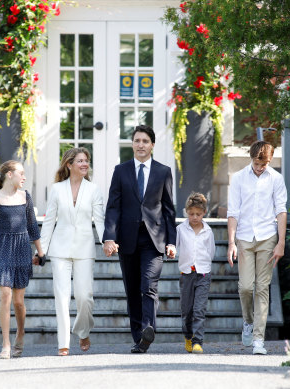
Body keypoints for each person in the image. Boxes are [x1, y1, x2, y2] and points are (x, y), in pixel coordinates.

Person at [103, 125, 177, 353]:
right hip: (127, 239)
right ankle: (140, 339)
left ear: (152, 145)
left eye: (145, 141)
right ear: (132, 144)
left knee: (148, 287)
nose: (141, 145)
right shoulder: (121, 170)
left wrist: (171, 241)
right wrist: (109, 237)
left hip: (154, 239)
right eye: (137, 140)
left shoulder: (163, 171)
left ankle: (148, 328)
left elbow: (168, 210)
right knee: (133, 290)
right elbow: (113, 207)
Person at [37, 147, 105, 356]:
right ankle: (63, 343)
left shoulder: (93, 189)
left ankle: (83, 331)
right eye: (80, 161)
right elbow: (49, 223)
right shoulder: (57, 189)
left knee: (85, 297)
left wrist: (106, 242)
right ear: (69, 164)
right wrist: (42, 251)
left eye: (87, 161)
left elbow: (100, 221)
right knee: (62, 296)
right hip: (60, 249)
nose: (85, 164)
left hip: (84, 249)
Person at [0, 160, 45, 359]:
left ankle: (21, 331)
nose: (24, 177)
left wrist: (40, 253)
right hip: (1, 249)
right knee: (5, 294)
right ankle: (6, 344)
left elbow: (33, 227)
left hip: (22, 248)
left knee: (18, 302)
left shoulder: (25, 197)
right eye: (21, 173)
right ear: (9, 174)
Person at [226, 141, 287, 355]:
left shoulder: (276, 179)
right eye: (258, 163)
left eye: (265, 163)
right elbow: (232, 212)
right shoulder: (239, 178)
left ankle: (259, 340)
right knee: (245, 287)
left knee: (262, 288)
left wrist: (281, 242)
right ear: (251, 158)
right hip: (244, 237)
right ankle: (248, 321)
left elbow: (281, 210)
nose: (261, 167)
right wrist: (231, 242)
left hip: (267, 237)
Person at [176, 192, 215, 354]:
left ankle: (198, 341)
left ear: (204, 213)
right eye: (191, 214)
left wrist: (203, 265)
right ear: (186, 212)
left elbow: (211, 251)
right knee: (187, 310)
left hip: (203, 274)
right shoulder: (180, 229)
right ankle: (188, 336)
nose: (194, 217)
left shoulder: (208, 231)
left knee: (199, 309)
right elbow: (177, 248)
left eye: (198, 214)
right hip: (186, 273)